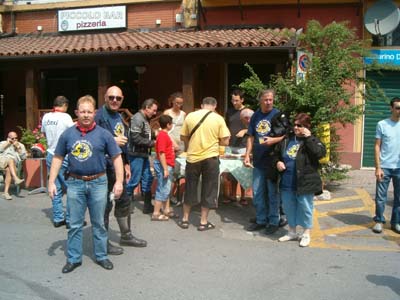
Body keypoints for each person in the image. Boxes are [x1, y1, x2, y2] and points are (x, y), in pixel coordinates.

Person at [48, 95, 124, 273]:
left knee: (98, 222)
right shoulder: (68, 134)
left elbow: (117, 157)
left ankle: (101, 255)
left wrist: (119, 181)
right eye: (82, 111)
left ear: (94, 113)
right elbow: (58, 158)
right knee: (74, 223)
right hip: (75, 183)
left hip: (99, 182)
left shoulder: (104, 134)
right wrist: (51, 182)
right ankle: (74, 258)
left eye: (89, 112)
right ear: (76, 113)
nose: (86, 115)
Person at [95, 86, 148, 255]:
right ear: (105, 97)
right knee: (104, 207)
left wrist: (125, 164)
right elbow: (90, 138)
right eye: (111, 97)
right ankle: (102, 243)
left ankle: (126, 235)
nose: (114, 101)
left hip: (116, 167)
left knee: (124, 200)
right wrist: (111, 140)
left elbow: (122, 143)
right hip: (102, 169)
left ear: (122, 99)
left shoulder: (118, 115)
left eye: (118, 98)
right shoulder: (98, 116)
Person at [273, 113, 326, 247]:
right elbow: (275, 154)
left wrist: (309, 138)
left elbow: (319, 153)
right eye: (294, 125)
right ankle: (292, 232)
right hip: (287, 180)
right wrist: (278, 162)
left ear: (306, 127)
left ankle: (306, 233)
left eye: (299, 125)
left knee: (305, 207)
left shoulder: (312, 140)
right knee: (289, 207)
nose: (295, 127)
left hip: (304, 181)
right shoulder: (287, 139)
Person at [178, 97, 230, 231]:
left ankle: (184, 219)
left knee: (190, 186)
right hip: (210, 158)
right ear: (215, 105)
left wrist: (191, 145)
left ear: (202, 105)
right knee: (209, 189)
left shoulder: (190, 116)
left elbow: (183, 136)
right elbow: (225, 141)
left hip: (192, 158)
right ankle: (203, 221)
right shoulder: (218, 119)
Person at [243, 89, 284, 234]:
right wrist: (247, 154)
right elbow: (251, 137)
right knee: (258, 192)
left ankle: (274, 221)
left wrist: (274, 140)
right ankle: (261, 220)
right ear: (260, 100)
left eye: (271, 100)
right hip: (259, 161)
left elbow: (287, 135)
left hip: (273, 160)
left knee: (273, 193)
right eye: (266, 100)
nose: (268, 102)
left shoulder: (278, 115)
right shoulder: (255, 116)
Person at [41, 96, 74, 227]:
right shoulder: (66, 117)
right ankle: (71, 220)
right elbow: (73, 134)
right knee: (72, 188)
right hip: (64, 156)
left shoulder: (45, 117)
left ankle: (58, 218)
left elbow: (43, 134)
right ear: (65, 105)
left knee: (55, 187)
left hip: (50, 154)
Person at [372, 97, 400, 234]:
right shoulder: (382, 124)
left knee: (399, 197)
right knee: (380, 197)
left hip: (399, 168)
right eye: (397, 108)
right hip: (385, 167)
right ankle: (379, 221)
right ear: (391, 108)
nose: (399, 111)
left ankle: (396, 222)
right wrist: (378, 167)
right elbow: (377, 146)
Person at [126, 98, 158, 214]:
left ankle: (147, 205)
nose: (155, 113)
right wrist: (153, 143)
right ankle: (124, 204)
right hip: (136, 154)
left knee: (148, 178)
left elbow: (146, 133)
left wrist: (156, 134)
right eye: (153, 110)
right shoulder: (137, 118)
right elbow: (135, 138)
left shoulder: (144, 119)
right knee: (135, 180)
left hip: (143, 153)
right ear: (147, 108)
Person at [223, 89, 247, 204]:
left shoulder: (248, 112)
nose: (234, 102)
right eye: (232, 100)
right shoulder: (229, 112)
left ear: (242, 100)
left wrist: (245, 130)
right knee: (231, 171)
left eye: (237, 100)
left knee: (242, 172)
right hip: (231, 144)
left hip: (243, 145)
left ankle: (243, 196)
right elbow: (226, 126)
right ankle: (232, 195)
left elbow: (254, 128)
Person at [152, 115, 177, 221]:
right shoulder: (163, 135)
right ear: (168, 124)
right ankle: (156, 213)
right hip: (164, 165)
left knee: (166, 188)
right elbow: (161, 153)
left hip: (167, 164)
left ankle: (166, 209)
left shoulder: (163, 134)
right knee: (162, 188)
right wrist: (165, 168)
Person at [0, 131, 26, 200]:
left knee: (9, 169)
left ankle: (6, 193)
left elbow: (23, 157)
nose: (14, 140)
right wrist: (8, 143)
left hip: (13, 166)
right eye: (12, 138)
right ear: (8, 138)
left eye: (16, 138)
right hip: (2, 162)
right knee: (10, 158)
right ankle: (16, 178)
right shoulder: (3, 143)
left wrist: (18, 148)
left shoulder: (20, 145)